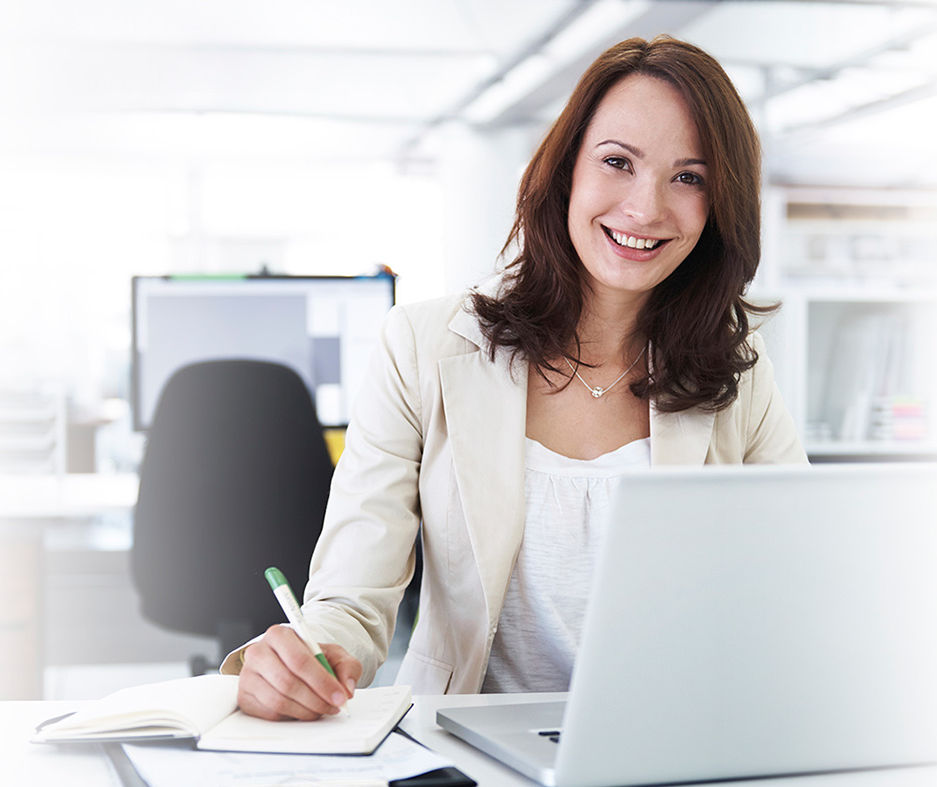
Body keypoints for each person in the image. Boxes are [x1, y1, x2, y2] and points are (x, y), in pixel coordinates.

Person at [227, 35, 807, 721]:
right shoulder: (423, 347)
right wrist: (302, 659)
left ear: (718, 206)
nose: (646, 207)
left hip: (669, 744)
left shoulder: (737, 370)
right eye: (618, 162)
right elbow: (351, 598)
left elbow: (797, 582)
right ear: (566, 172)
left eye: (690, 177)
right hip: (469, 756)